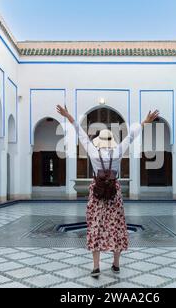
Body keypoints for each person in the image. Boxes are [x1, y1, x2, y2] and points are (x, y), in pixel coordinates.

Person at [57, 105, 160, 278]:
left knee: (96, 227)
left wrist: (68, 116)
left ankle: (96, 267)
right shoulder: (118, 151)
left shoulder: (92, 151)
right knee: (117, 228)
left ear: (99, 141)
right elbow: (131, 136)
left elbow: (80, 133)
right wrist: (145, 122)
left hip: (97, 195)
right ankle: (116, 264)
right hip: (114, 195)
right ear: (111, 140)